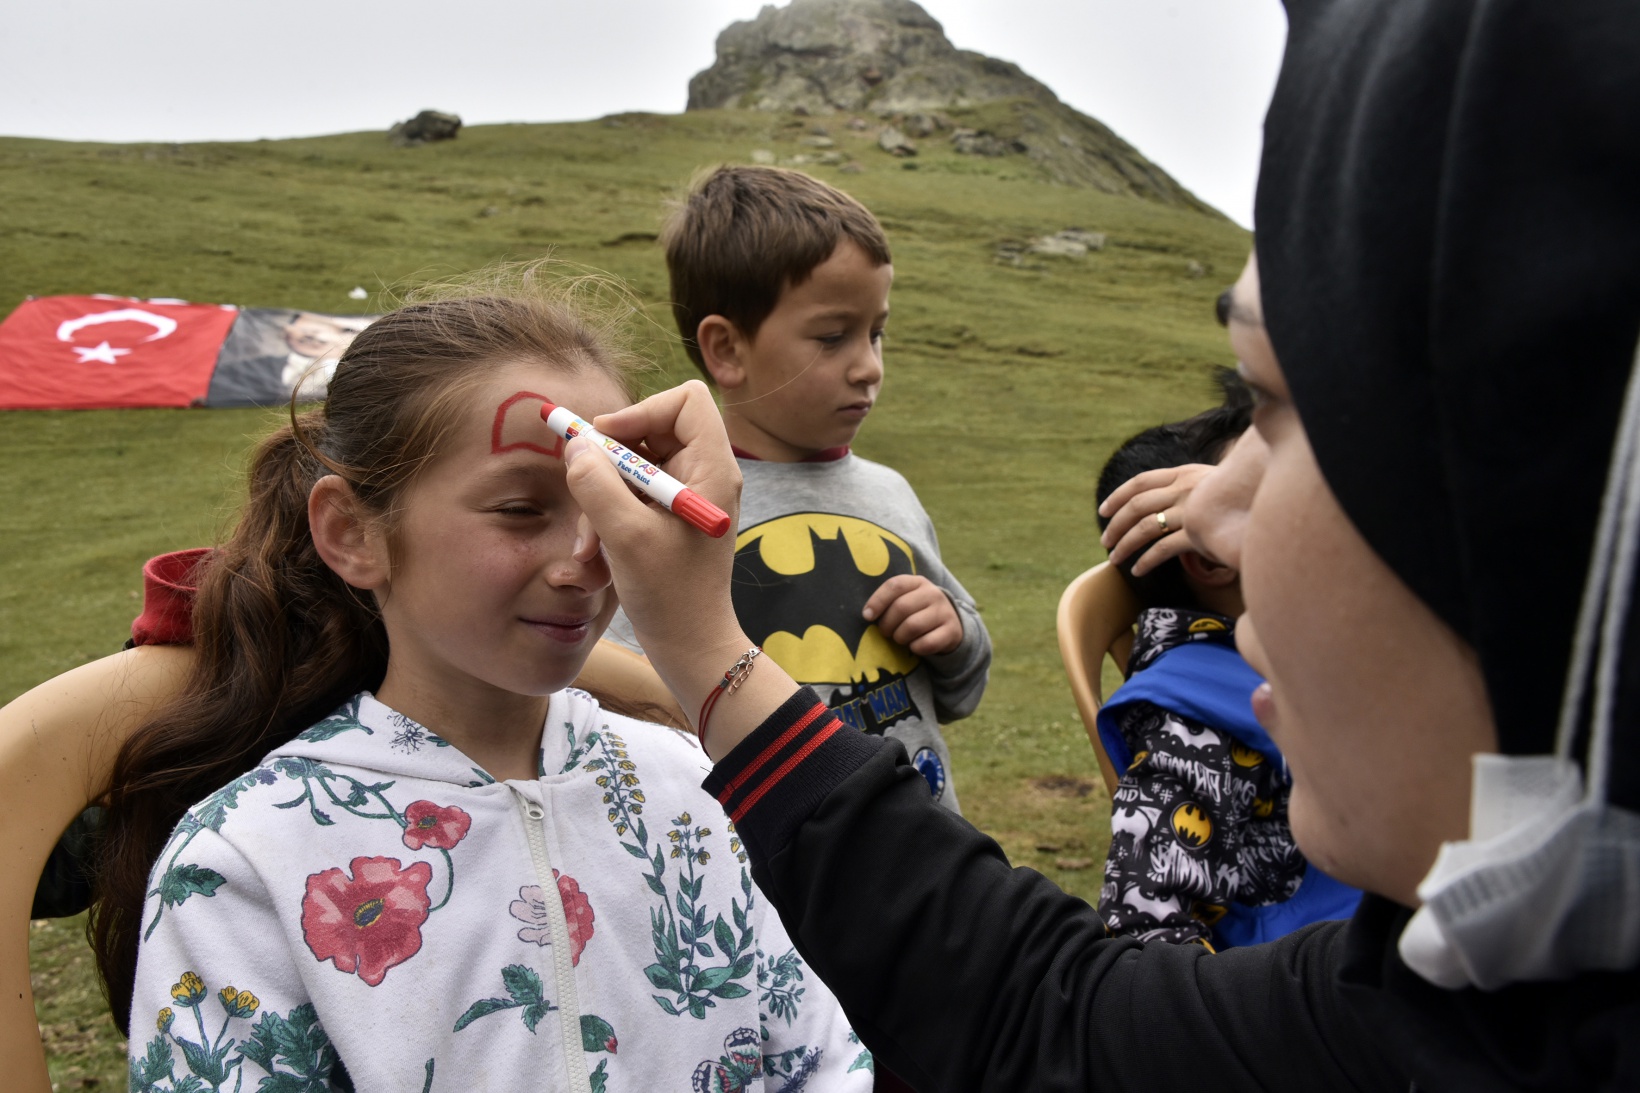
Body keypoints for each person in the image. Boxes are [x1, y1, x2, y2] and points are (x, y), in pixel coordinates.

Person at [559, 0, 1640, 1087]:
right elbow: (1048, 1017)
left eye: (1265, 404)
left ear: (1561, 519)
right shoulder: (1461, 1002)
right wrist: (698, 652)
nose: (1209, 516)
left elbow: (1048, 1019)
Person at [100, 281, 873, 1092]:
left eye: (609, 501)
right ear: (352, 531)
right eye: (518, 508)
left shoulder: (698, 788)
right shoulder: (241, 863)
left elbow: (821, 1056)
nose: (584, 558)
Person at [604, 165, 991, 811]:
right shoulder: (672, 508)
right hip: (759, 861)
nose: (869, 366)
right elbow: (621, 694)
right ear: (727, 349)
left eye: (877, 333)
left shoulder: (890, 494)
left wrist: (951, 632)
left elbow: (960, 694)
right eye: (833, 337)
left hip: (921, 846)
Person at [1092, 374, 1361, 949]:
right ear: (1213, 561)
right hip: (1322, 990)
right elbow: (1146, 922)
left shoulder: (1330, 639)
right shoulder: (1194, 718)